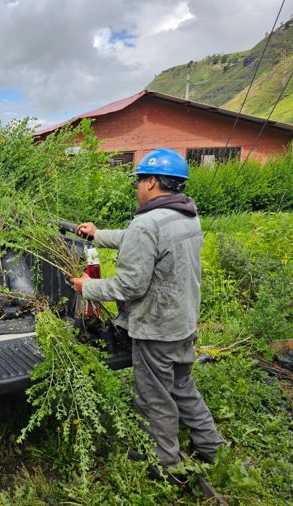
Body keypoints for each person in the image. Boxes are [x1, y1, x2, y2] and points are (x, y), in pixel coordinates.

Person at [69, 149, 223, 478]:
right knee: (182, 385)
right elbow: (134, 239)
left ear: (152, 182)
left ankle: (165, 466)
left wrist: (88, 288)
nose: (138, 187)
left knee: (154, 398)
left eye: (140, 181)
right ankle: (210, 445)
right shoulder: (185, 215)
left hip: (155, 328)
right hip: (181, 321)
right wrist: (97, 234)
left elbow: (129, 287)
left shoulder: (146, 223)